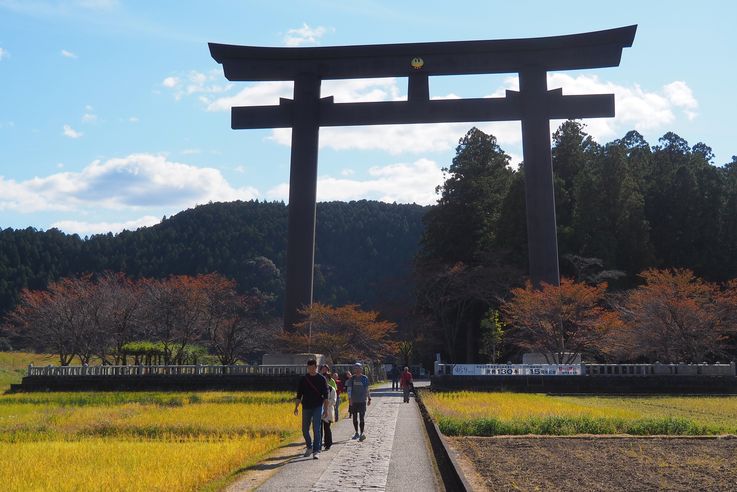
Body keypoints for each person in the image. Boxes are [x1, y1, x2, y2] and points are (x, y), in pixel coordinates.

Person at [294, 359, 329, 459]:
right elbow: (299, 395)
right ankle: (309, 446)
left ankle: (316, 451)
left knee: (316, 428)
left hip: (317, 406)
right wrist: (296, 407)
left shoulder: (322, 379)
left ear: (316, 367)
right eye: (309, 368)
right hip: (306, 406)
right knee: (304, 429)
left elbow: (326, 396)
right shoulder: (303, 379)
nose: (311, 370)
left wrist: (325, 410)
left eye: (312, 368)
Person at [345, 362, 371, 441]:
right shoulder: (352, 379)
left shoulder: (364, 378)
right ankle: (356, 432)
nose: (357, 370)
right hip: (354, 401)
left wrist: (369, 398)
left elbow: (367, 389)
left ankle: (362, 432)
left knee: (362, 417)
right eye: (356, 369)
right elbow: (349, 389)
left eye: (359, 369)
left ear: (361, 369)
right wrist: (350, 399)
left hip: (362, 400)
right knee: (355, 417)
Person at [321, 368, 337, 450]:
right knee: (319, 429)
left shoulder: (332, 389)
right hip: (320, 411)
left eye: (326, 379)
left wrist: (326, 404)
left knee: (327, 428)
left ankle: (328, 443)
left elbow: (334, 401)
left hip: (329, 411)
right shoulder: (319, 389)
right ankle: (318, 444)